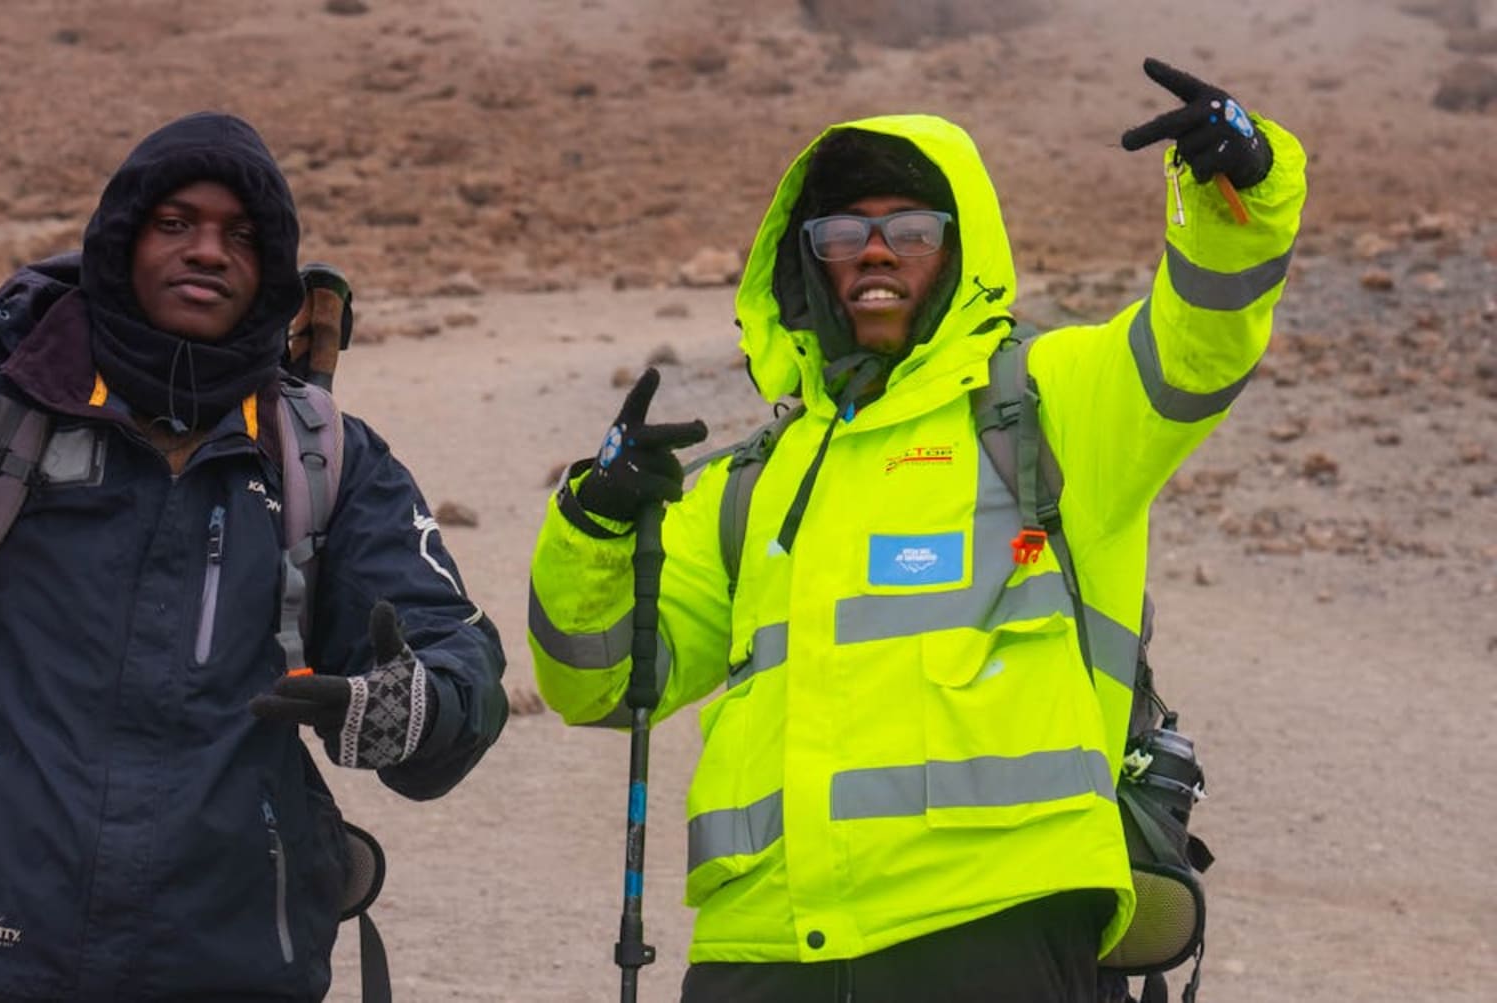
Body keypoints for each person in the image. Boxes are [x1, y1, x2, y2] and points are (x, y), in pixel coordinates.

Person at [0, 60, 507, 1002]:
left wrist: (414, 707)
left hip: (220, 964)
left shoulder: (324, 457)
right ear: (122, 243)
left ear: (272, 273)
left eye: (240, 235)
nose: (207, 250)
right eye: (176, 224)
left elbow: (451, 652)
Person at [527, 58, 1305, 1001]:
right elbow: (600, 678)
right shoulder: (750, 485)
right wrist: (592, 522)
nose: (877, 252)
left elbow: (1198, 343)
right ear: (808, 259)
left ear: (960, 249)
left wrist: (1237, 191)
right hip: (759, 952)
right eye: (846, 231)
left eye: (911, 229)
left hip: (995, 932)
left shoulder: (1048, 409)